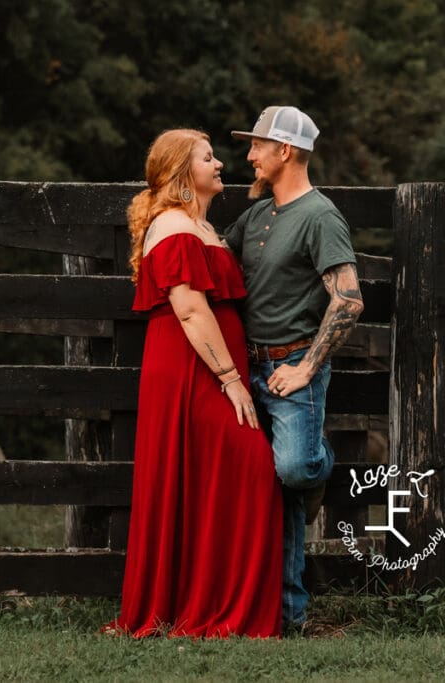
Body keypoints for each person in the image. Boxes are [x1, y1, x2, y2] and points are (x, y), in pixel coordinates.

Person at [102, 129, 283, 639]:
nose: (221, 163)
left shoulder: (202, 227)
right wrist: (230, 379)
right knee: (251, 466)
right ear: (184, 172)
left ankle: (209, 602)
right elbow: (188, 307)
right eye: (209, 158)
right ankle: (209, 606)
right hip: (191, 371)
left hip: (210, 368)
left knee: (218, 477)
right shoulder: (174, 226)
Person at [226, 106, 364, 633]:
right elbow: (218, 254)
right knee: (274, 494)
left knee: (296, 469)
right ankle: (288, 616)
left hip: (290, 368)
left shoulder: (320, 216)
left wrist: (307, 368)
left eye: (257, 144)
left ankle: (319, 463)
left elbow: (348, 300)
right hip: (246, 367)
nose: (249, 154)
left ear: (285, 150)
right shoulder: (258, 214)